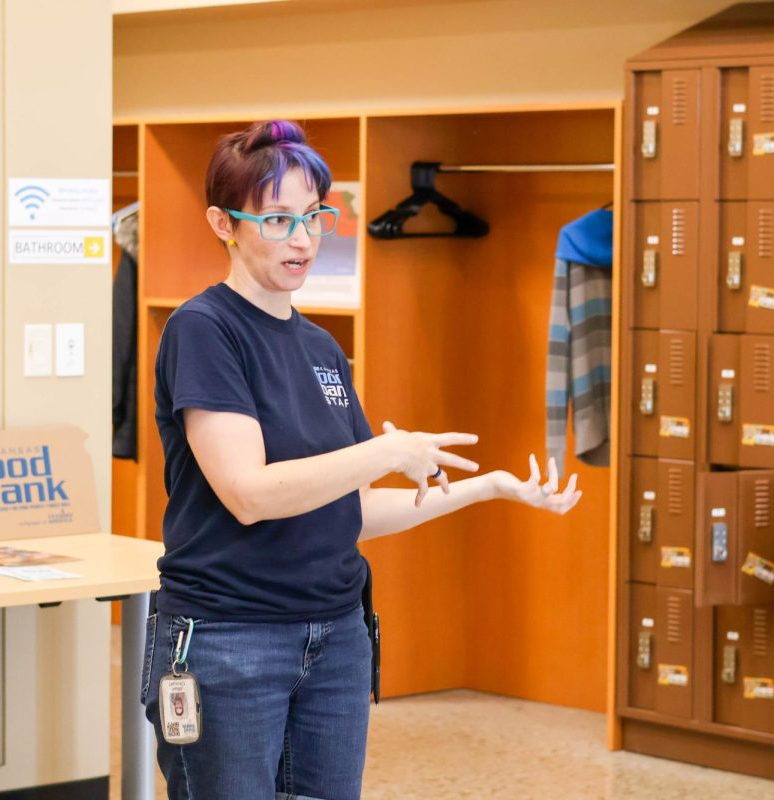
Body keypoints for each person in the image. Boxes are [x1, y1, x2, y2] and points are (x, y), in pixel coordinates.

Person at [141, 119, 583, 800]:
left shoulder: (321, 349)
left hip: (336, 636)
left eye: (314, 217)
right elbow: (249, 494)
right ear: (223, 224)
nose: (302, 239)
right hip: (232, 640)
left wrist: (490, 487)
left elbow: (350, 511)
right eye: (278, 219)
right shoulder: (204, 329)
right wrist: (382, 451)